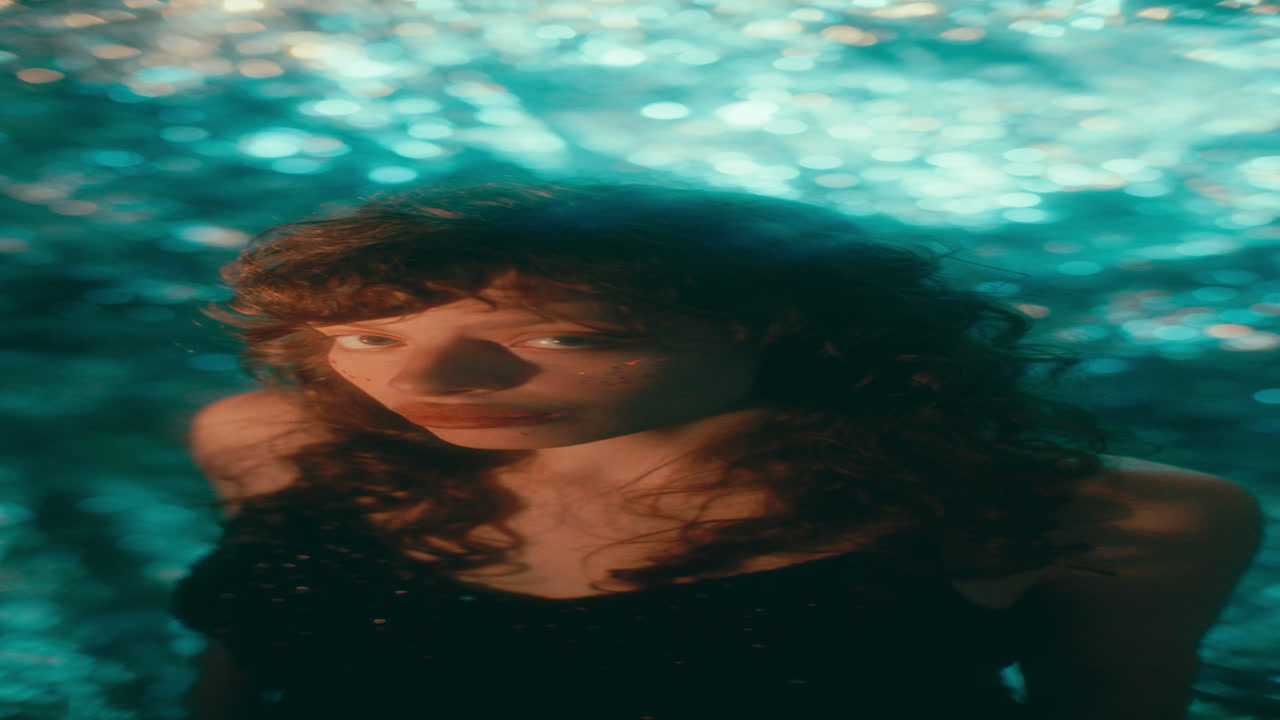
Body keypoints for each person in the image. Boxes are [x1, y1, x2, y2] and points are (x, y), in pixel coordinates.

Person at [171, 178, 1263, 720]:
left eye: (558, 338)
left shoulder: (1101, 520)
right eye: (367, 336)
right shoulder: (269, 443)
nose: (420, 384)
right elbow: (238, 676)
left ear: (776, 332)